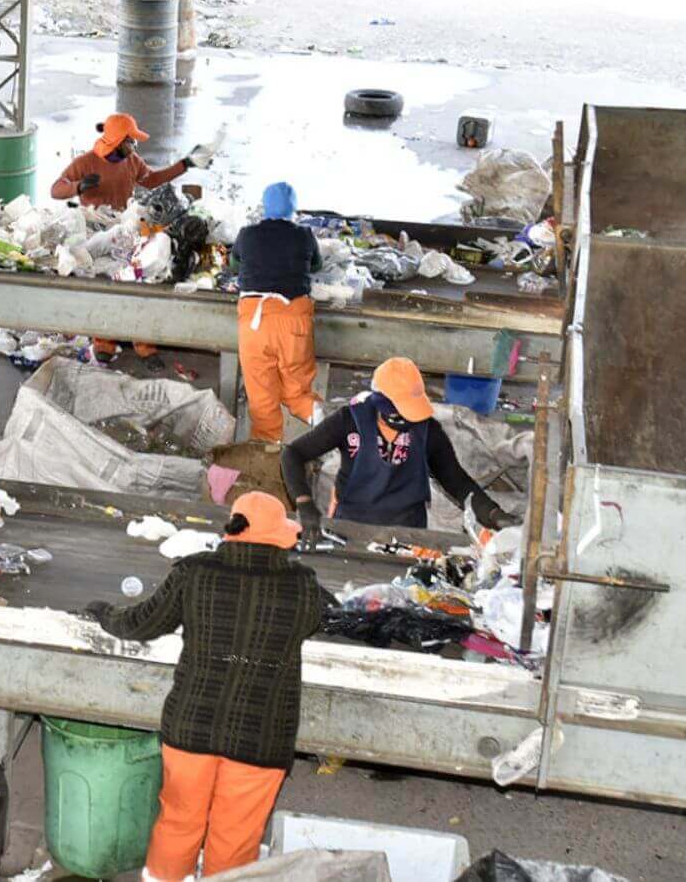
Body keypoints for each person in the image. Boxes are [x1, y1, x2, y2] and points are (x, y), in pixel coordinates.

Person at [81, 492, 332, 880]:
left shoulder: (193, 572)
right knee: (236, 834)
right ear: (281, 537)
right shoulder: (303, 585)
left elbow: (142, 624)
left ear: (233, 529)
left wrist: (103, 612)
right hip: (260, 736)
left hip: (191, 726)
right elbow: (322, 617)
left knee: (179, 820)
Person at [281, 357, 520, 544]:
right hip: (350, 530)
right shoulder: (348, 421)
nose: (409, 418)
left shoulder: (427, 431)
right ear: (382, 404)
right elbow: (292, 453)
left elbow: (457, 481)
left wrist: (492, 514)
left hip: (409, 535)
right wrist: (304, 502)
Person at [51, 112, 195, 362]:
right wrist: (78, 187)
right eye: (131, 141)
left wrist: (185, 165)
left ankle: (143, 345)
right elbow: (56, 189)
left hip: (127, 229)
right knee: (106, 287)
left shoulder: (132, 161)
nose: (135, 146)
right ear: (117, 141)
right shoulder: (86, 162)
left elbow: (151, 180)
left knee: (138, 284)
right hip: (97, 234)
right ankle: (104, 342)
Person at [230, 182, 323, 442]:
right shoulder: (305, 235)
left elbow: (234, 263)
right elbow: (316, 265)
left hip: (255, 325)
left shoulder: (247, 234)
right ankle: (328, 426)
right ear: (293, 209)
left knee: (262, 398)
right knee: (297, 392)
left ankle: (267, 456)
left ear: (265, 205)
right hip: (293, 322)